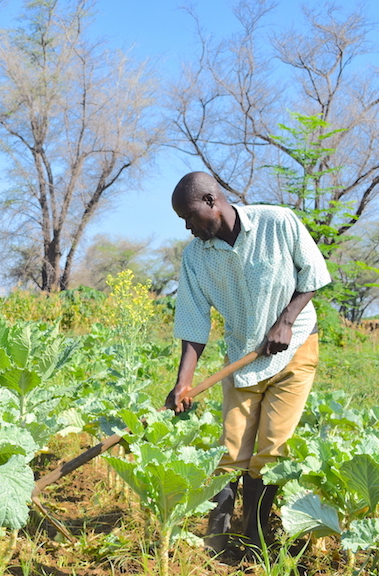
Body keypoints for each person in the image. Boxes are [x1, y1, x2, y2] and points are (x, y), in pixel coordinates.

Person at [164, 172, 330, 556]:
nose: (188, 228)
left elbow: (314, 274)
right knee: (231, 449)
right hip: (242, 355)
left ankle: (254, 537)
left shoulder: (278, 222)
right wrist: (183, 383)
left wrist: (285, 321)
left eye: (189, 217)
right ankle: (217, 542)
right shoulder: (196, 256)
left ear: (211, 201)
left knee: (271, 449)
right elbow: (193, 321)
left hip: (295, 349)